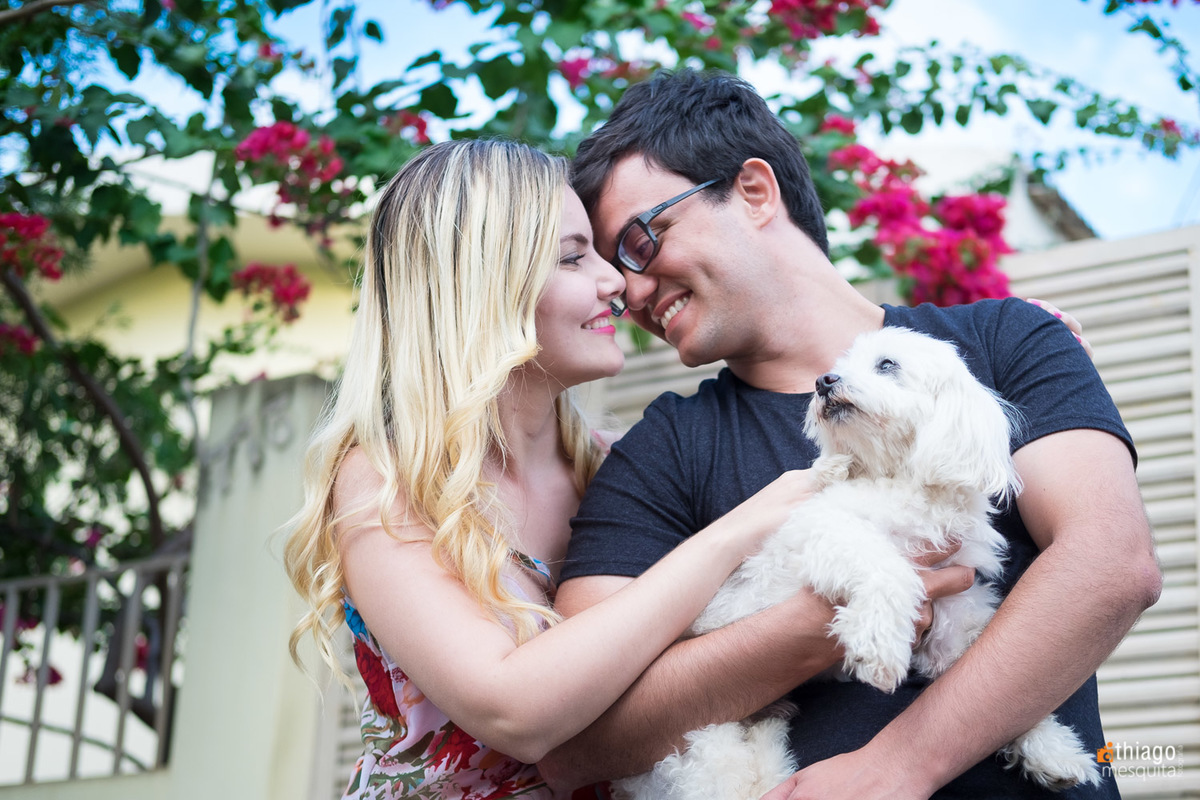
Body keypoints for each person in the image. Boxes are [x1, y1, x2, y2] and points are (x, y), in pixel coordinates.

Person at [539, 69, 1162, 799]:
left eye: (643, 241)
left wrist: (898, 768)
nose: (631, 291)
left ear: (754, 191)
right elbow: (577, 739)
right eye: (614, 265)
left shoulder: (1004, 342)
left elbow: (1113, 564)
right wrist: (810, 626)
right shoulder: (661, 450)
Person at [282, 138, 954, 799]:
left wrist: (977, 391)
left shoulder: (611, 466)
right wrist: (729, 536)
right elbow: (512, 711)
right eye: (575, 259)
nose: (618, 284)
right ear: (481, 287)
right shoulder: (387, 480)